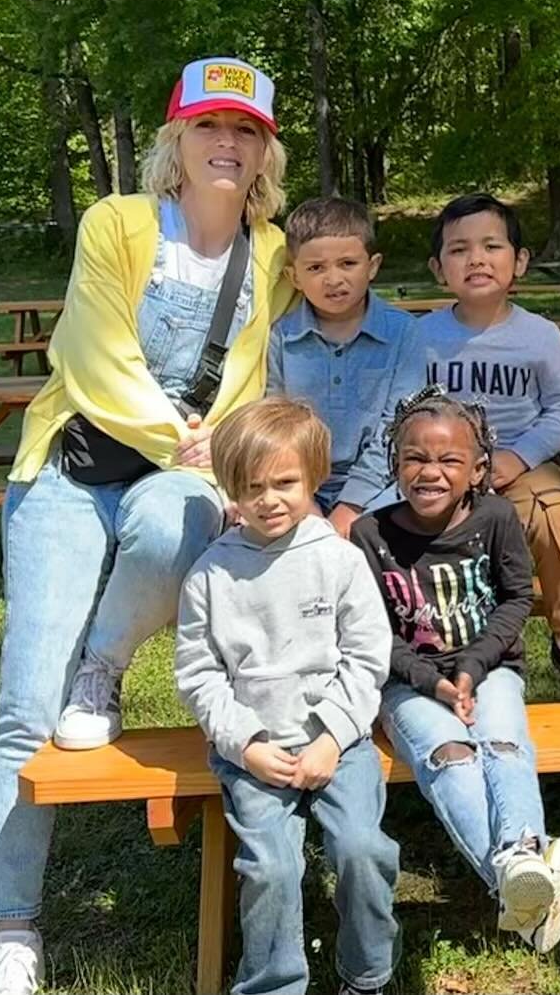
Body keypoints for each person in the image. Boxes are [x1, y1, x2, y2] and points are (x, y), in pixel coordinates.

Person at [0, 58, 296, 995]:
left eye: (245, 131)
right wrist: (185, 438)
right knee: (25, 702)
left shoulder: (273, 253)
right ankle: (13, 925)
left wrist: (211, 455)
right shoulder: (116, 224)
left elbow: (257, 371)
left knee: (169, 530)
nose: (226, 145)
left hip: (182, 478)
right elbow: (85, 350)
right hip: (72, 471)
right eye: (208, 127)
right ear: (177, 140)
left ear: (265, 150)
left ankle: (105, 665)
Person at [175, 397, 398, 995]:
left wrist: (332, 737)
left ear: (314, 478)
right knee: (271, 868)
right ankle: (274, 984)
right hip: (255, 750)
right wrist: (245, 744)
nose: (269, 499)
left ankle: (366, 974)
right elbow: (198, 673)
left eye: (284, 483)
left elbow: (367, 657)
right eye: (252, 487)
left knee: (362, 849)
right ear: (230, 489)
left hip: (337, 744)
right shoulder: (210, 574)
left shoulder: (340, 561)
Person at [350, 386, 560, 952]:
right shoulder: (370, 535)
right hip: (407, 682)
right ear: (394, 463)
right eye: (415, 458)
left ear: (479, 469)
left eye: (449, 459)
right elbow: (371, 635)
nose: (430, 472)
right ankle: (524, 880)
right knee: (450, 758)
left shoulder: (498, 517)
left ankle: (519, 865)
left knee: (502, 744)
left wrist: (474, 669)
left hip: (491, 667)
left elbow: (514, 600)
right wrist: (433, 682)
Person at [414, 193, 560, 699]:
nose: (476, 259)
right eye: (459, 250)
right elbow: (404, 410)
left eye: (492, 246)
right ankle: (458, 652)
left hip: (523, 462)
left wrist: (518, 457)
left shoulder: (539, 335)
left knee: (553, 515)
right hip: (442, 472)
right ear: (438, 268)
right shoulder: (422, 337)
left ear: (518, 261)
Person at [267, 195, 423, 533]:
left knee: (376, 539)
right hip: (299, 486)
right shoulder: (281, 336)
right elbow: (275, 426)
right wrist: (305, 500)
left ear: (373, 266)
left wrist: (349, 506)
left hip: (383, 483)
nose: (333, 279)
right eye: (316, 268)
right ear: (294, 278)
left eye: (348, 264)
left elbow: (399, 428)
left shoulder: (403, 332)